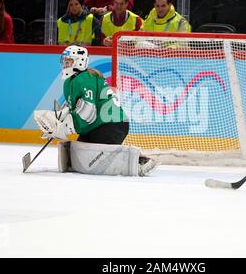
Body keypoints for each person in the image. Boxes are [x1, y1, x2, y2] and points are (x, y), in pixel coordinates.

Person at [33, 45, 158, 176]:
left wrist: (66, 128)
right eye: (64, 61)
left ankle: (139, 161)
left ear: (79, 61)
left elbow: (88, 112)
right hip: (97, 126)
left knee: (94, 161)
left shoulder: (85, 78)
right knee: (79, 154)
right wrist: (58, 121)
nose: (65, 64)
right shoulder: (71, 81)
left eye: (68, 61)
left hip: (111, 125)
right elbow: (73, 107)